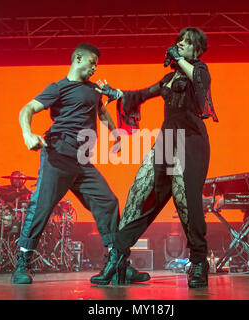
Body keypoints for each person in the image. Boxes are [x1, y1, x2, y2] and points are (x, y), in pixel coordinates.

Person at [91, 27, 218, 288]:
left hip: (190, 142)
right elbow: (140, 94)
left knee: (186, 203)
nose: (180, 46)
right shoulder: (167, 79)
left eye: (186, 43)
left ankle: (198, 263)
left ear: (197, 50)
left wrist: (180, 59)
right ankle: (116, 259)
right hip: (166, 141)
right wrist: (116, 93)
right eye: (178, 42)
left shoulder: (200, 69)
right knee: (139, 195)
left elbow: (199, 83)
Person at [13, 43, 149, 284]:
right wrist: (27, 134)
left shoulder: (94, 90)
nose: (95, 67)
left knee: (108, 202)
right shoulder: (58, 88)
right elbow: (27, 109)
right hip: (58, 154)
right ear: (77, 58)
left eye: (96, 64)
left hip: (81, 160)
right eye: (92, 62)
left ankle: (118, 264)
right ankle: (22, 263)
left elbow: (102, 113)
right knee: (41, 207)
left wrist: (115, 134)